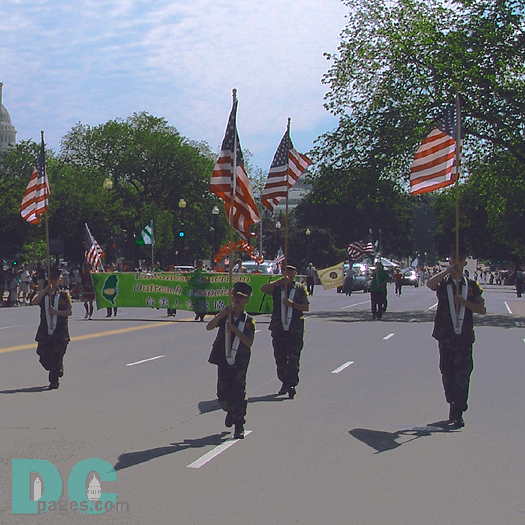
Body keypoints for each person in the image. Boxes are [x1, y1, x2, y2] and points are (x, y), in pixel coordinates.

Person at [427, 247, 486, 428]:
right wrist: (447, 271)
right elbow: (430, 284)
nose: (457, 262)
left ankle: (458, 411)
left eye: (460, 260)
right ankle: (452, 400)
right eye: (454, 259)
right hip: (446, 336)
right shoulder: (443, 283)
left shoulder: (472, 285)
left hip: (464, 337)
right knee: (447, 372)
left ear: (465, 263)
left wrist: (464, 303)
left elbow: (482, 309)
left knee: (463, 374)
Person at [207, 282, 255, 439]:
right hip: (223, 358)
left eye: (242, 298)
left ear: (247, 300)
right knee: (222, 393)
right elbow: (209, 327)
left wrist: (235, 330)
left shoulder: (248, 321)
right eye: (236, 296)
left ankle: (239, 425)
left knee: (239, 392)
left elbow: (248, 342)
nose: (238, 300)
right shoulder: (225, 316)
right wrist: (222, 313)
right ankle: (230, 410)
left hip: (240, 360)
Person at [261, 263, 309, 398]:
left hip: (295, 329)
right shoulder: (278, 287)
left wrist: (292, 304)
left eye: (290, 271)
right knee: (280, 358)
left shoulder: (299, 288)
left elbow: (306, 307)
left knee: (293, 358)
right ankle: (284, 381)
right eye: (285, 271)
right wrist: (278, 282)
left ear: (295, 273)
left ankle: (291, 384)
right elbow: (263, 289)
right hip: (279, 328)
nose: (288, 273)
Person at [31, 266, 72, 389]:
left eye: (55, 279)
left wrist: (56, 312)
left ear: (59, 280)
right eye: (51, 279)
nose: (53, 281)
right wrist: (44, 290)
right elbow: (34, 301)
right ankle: (56, 368)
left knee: (56, 356)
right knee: (43, 355)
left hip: (60, 332)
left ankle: (54, 379)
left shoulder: (64, 295)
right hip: (45, 331)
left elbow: (69, 312)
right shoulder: (44, 294)